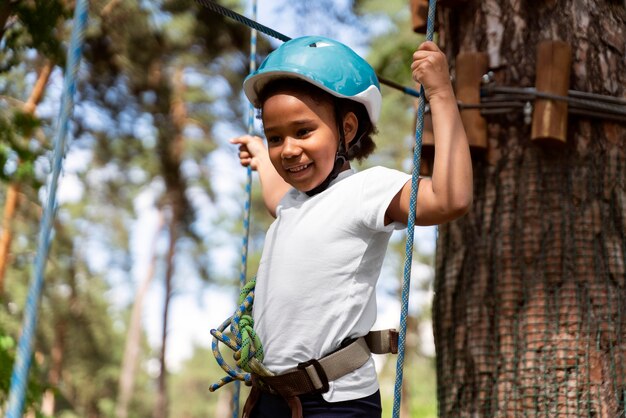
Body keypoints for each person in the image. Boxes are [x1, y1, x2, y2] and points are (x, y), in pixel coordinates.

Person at [230, 35, 472, 418]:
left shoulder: (365, 190)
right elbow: (277, 197)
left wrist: (441, 94)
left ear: (346, 128)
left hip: (333, 403)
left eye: (303, 131)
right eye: (275, 137)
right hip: (272, 398)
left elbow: (449, 198)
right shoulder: (295, 204)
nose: (288, 149)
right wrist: (261, 158)